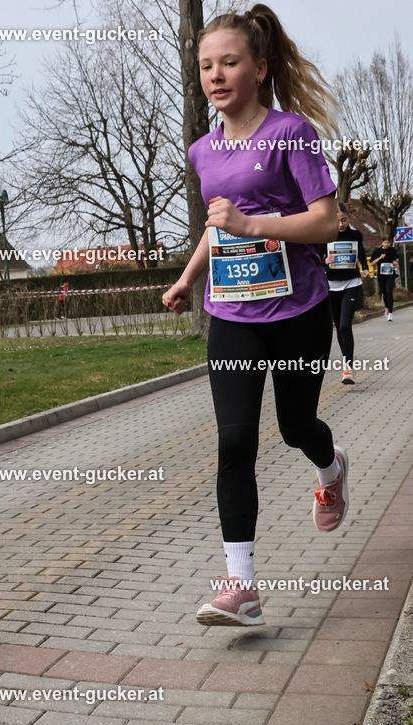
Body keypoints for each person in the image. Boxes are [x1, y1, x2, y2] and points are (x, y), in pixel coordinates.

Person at [163, 4, 346, 627]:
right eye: (206, 65)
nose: (216, 75)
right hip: (233, 315)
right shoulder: (201, 151)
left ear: (260, 68)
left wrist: (253, 224)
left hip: (299, 310)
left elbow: (327, 220)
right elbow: (220, 228)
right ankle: (241, 586)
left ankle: (331, 467)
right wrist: (188, 279)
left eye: (230, 63)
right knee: (235, 440)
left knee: (296, 428)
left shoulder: (291, 134)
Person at [317, 201, 370, 384]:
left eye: (344, 220)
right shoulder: (326, 236)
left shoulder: (356, 235)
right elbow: (316, 257)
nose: (340, 224)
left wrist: (365, 268)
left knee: (346, 326)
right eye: (337, 220)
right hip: (331, 285)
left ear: (349, 217)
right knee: (339, 327)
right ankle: (347, 356)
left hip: (351, 283)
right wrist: (326, 260)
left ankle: (348, 369)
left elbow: (361, 254)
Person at [370, 237, 399, 322]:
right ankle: (386, 307)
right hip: (381, 275)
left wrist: (395, 261)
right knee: (385, 293)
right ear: (382, 243)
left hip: (390, 274)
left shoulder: (392, 250)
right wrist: (380, 258)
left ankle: (390, 313)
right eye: (385, 242)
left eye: (388, 242)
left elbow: (396, 258)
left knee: (389, 292)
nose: (386, 244)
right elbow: (372, 263)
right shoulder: (377, 251)